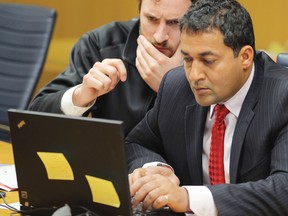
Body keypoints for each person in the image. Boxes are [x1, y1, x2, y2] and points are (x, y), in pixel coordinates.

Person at [125, 0, 288, 215]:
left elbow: (283, 189)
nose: (194, 76)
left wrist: (188, 198)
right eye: (188, 59)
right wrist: (156, 170)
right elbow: (137, 142)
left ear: (245, 57)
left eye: (208, 61)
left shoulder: (281, 96)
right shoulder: (176, 86)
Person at [28, 0, 193, 137]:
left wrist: (175, 88)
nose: (159, 36)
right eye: (151, 19)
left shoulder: (209, 58)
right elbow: (32, 121)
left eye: (174, 23)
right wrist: (81, 95)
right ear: (139, 11)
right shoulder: (100, 44)